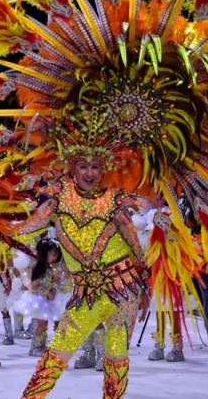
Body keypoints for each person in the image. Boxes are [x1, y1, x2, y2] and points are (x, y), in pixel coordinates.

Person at [21, 156, 150, 399]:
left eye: (95, 167)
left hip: (123, 292)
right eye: (83, 166)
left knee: (116, 357)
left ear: (103, 170)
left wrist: (146, 287)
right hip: (83, 296)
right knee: (56, 354)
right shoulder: (58, 202)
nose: (89, 173)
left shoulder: (114, 201)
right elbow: (23, 230)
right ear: (72, 168)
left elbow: (135, 247)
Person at [14, 238, 69, 357]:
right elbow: (34, 287)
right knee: (42, 325)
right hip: (39, 300)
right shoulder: (41, 268)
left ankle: (43, 345)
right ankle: (35, 347)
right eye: (52, 254)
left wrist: (53, 287)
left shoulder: (49, 268)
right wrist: (47, 293)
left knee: (47, 324)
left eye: (56, 254)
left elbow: (52, 283)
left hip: (47, 300)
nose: (55, 256)